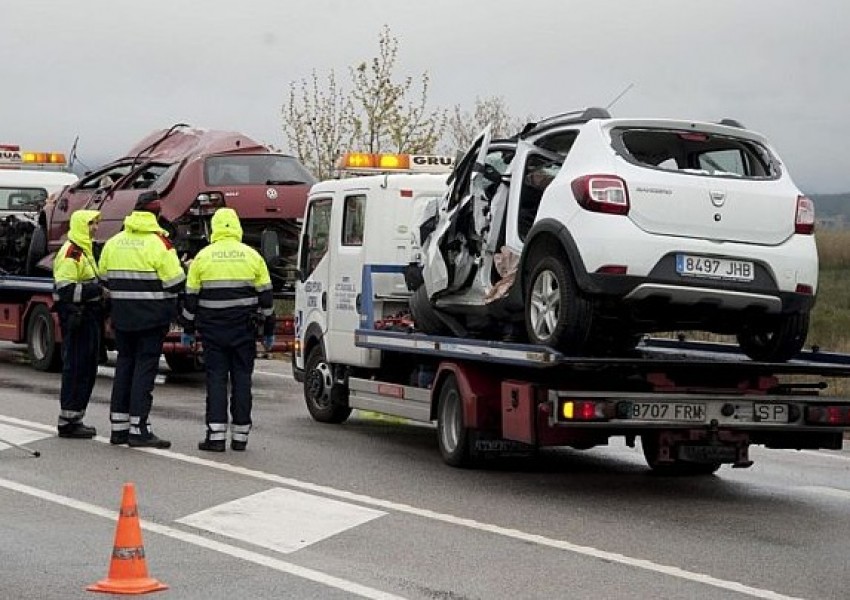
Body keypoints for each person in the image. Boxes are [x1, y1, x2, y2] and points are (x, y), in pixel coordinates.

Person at [180, 208, 275, 452]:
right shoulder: (252, 256)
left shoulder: (202, 257)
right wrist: (268, 330)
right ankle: (241, 436)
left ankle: (216, 436)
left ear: (214, 228)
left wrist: (188, 329)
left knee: (216, 380)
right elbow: (266, 300)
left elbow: (190, 300)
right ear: (237, 227)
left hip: (212, 332)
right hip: (244, 330)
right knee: (242, 380)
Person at [98, 193, 185, 448]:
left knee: (124, 367)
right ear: (156, 214)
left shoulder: (114, 242)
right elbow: (175, 283)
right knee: (144, 372)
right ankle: (139, 429)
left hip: (122, 318)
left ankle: (119, 428)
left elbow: (103, 278)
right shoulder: (161, 244)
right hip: (151, 319)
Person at [52, 209, 106, 438]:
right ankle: (68, 422)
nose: (95, 227)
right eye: (92, 223)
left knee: (86, 369)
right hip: (78, 318)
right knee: (76, 369)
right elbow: (65, 290)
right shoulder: (71, 253)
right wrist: (97, 291)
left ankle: (75, 418)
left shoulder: (84, 251)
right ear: (81, 225)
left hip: (87, 318)